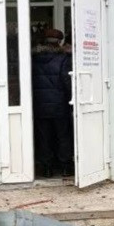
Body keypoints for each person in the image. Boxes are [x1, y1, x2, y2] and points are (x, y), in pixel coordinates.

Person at [31, 28, 73, 178]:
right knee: (63, 136)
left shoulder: (33, 58)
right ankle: (65, 167)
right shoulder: (63, 58)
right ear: (60, 42)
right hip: (59, 104)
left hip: (40, 105)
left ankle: (46, 168)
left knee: (44, 137)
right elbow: (66, 81)